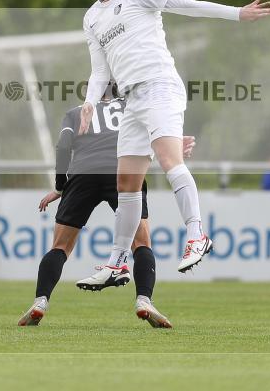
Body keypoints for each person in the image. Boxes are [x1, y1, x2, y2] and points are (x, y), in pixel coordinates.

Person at [74, 0, 270, 289]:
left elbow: (189, 5)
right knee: (126, 184)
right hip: (132, 100)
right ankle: (118, 262)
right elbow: (100, 70)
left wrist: (237, 13)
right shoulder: (91, 17)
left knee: (170, 160)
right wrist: (90, 101)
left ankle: (197, 235)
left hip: (159, 86)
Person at [18, 83, 196, 328]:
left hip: (83, 174)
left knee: (60, 247)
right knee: (141, 243)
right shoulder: (131, 109)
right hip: (123, 171)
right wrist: (175, 145)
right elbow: (155, 137)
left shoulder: (76, 112)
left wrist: (60, 187)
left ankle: (40, 301)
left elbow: (63, 147)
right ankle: (144, 300)